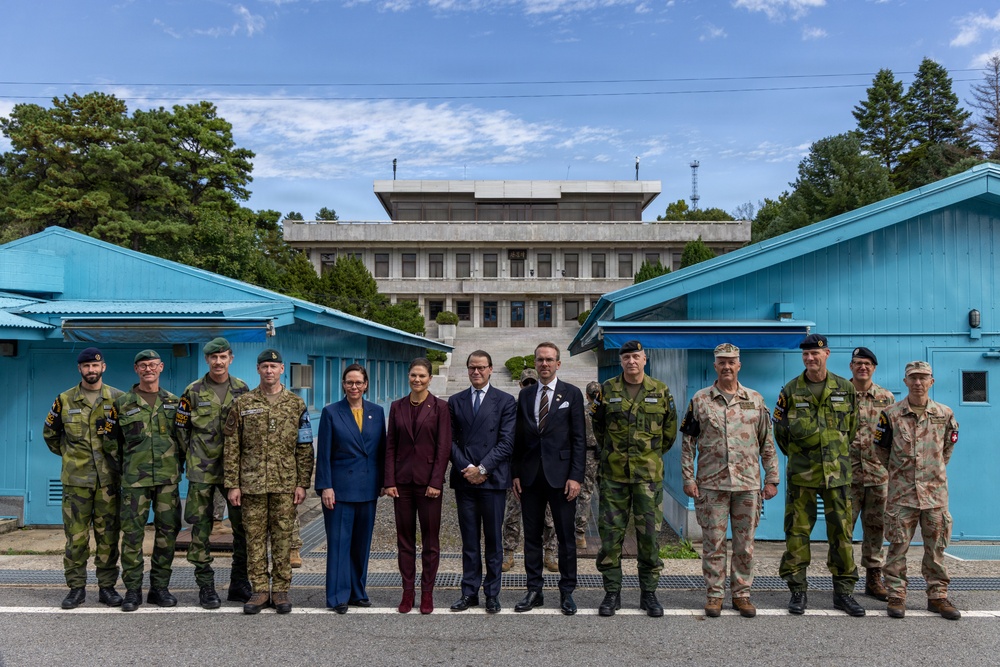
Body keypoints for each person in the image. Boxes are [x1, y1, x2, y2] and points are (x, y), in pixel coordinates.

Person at [680, 343, 779, 618]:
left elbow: (766, 443)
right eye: (721, 362)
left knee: (745, 545)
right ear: (715, 366)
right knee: (714, 543)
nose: (726, 366)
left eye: (731, 362)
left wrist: (772, 479)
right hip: (712, 485)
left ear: (739, 365)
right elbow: (688, 444)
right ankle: (714, 595)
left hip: (748, 485)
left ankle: (742, 594)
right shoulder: (700, 400)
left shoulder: (755, 400)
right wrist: (689, 478)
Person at [773, 333, 864, 616]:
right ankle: (798, 590)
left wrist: (832, 454)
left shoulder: (845, 388)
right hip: (802, 475)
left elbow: (851, 428)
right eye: (806, 355)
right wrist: (804, 457)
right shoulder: (790, 391)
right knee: (797, 533)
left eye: (815, 354)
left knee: (842, 533)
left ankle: (844, 593)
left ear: (827, 355)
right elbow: (781, 433)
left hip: (837, 474)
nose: (810, 358)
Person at [223, 348, 314, 615]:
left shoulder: (295, 404)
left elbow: (305, 447)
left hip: (285, 484)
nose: (269, 371)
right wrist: (233, 484)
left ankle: (282, 590)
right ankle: (260, 590)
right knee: (254, 539)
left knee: (283, 538)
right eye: (264, 367)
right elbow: (232, 446)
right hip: (251, 484)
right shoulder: (243, 403)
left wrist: (302, 483)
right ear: (258, 370)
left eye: (274, 367)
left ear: (282, 370)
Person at [592, 340, 676, 618]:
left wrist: (647, 456)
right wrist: (615, 454)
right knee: (610, 537)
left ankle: (648, 594)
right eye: (626, 357)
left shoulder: (661, 391)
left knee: (649, 537)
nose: (631, 361)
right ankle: (611, 593)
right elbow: (599, 427)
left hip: (648, 479)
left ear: (645, 359)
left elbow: (669, 434)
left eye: (636, 356)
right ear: (621, 361)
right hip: (614, 477)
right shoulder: (607, 390)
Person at [875, 361, 961, 620]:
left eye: (923, 378)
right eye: (913, 378)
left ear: (931, 382)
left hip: (934, 494)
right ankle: (896, 595)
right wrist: (902, 472)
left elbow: (947, 448)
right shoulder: (890, 414)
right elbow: (881, 450)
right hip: (902, 494)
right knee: (898, 546)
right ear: (905, 382)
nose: (918, 382)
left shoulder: (944, 414)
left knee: (936, 547)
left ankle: (937, 597)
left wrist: (931, 471)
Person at [43, 347, 124, 609]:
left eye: (95, 366)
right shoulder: (64, 400)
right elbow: (50, 435)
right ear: (79, 369)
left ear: (104, 367)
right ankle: (76, 589)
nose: (91, 370)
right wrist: (71, 457)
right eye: (86, 366)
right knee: (76, 538)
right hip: (76, 483)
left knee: (108, 538)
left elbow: (126, 439)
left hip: (108, 483)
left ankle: (107, 588)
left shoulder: (118, 399)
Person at [175, 337, 251, 608]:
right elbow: (181, 431)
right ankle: (206, 585)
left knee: (243, 527)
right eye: (213, 357)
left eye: (223, 357)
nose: (218, 362)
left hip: (235, 472)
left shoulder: (242, 389)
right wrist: (195, 457)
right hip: (202, 472)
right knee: (201, 529)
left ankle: (239, 582)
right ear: (206, 360)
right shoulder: (192, 391)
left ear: (231, 359)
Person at [512, 342, 586, 616]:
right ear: (535, 362)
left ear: (558, 364)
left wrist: (576, 477)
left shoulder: (572, 394)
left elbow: (579, 440)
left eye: (549, 360)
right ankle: (534, 589)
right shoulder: (526, 394)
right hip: (530, 477)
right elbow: (519, 439)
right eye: (540, 360)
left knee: (566, 538)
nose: (544, 364)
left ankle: (567, 591)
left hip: (562, 477)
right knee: (531, 537)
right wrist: (516, 473)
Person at [106, 349, 182, 612]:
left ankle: (160, 589)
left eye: (152, 365)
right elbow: (110, 444)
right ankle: (133, 590)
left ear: (161, 367)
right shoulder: (121, 404)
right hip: (134, 483)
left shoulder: (175, 402)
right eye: (142, 365)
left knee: (166, 535)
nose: (148, 369)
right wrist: (127, 470)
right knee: (132, 536)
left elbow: (183, 441)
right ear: (136, 370)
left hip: (167, 480)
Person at [447, 350, 516, 614]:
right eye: (472, 368)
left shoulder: (506, 401)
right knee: (469, 539)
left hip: (492, 479)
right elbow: (449, 441)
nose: (476, 372)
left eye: (481, 368)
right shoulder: (455, 401)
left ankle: (492, 593)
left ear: (491, 369)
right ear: (467, 370)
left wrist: (483, 468)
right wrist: (467, 468)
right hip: (465, 479)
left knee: (493, 540)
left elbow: (507, 442)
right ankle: (469, 591)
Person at [316, 364, 386, 613]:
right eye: (349, 382)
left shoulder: (377, 412)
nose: (354, 387)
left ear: (366, 384)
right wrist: (325, 486)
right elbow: (323, 453)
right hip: (340, 489)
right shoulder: (331, 412)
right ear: (343, 384)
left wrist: (383, 482)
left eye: (358, 382)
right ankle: (337, 596)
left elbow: (381, 451)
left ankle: (358, 591)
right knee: (339, 544)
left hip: (368, 488)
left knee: (361, 544)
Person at [384, 357, 452, 614]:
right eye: (413, 375)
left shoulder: (440, 407)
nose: (417, 379)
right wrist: (389, 480)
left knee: (430, 541)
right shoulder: (397, 406)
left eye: (422, 376)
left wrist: (436, 481)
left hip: (429, 486)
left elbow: (444, 447)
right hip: (401, 484)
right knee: (404, 541)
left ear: (429, 379)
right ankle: (407, 591)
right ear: (408, 376)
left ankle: (427, 593)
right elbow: (390, 445)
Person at [846, 347, 894, 601]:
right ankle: (842, 579)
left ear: (874, 368)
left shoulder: (886, 399)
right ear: (850, 367)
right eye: (857, 363)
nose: (862, 367)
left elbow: (894, 437)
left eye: (867, 363)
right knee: (842, 530)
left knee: (876, 528)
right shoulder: (839, 395)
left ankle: (874, 578)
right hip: (846, 476)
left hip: (878, 476)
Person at [501, 368, 558, 573]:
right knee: (513, 514)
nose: (530, 386)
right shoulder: (515, 409)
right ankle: (509, 552)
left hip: (545, 471)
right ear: (520, 385)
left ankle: (550, 552)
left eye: (533, 383)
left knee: (548, 516)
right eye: (526, 383)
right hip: (520, 470)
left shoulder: (550, 406)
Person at [575, 381, 602, 549]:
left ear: (587, 395)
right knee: (607, 494)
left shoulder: (582, 412)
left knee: (585, 495)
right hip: (605, 455)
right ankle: (609, 532)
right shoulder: (606, 411)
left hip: (587, 455)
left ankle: (580, 534)